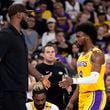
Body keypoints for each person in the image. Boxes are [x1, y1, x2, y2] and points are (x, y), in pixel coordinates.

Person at [0, 3, 51, 110]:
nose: (28, 18)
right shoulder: (5, 34)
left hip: (19, 90)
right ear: (18, 15)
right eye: (26, 15)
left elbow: (24, 62)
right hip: (8, 91)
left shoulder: (20, 35)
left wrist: (40, 77)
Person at [59, 22, 106, 110]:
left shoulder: (96, 54)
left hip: (95, 94)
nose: (76, 39)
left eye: (78, 36)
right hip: (82, 96)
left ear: (87, 37)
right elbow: (81, 82)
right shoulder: (81, 56)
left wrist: (72, 80)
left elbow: (93, 79)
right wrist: (71, 102)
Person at [35, 44, 70, 110]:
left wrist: (67, 88)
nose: (51, 54)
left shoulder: (61, 68)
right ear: (43, 54)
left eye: (52, 52)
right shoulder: (39, 67)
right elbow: (38, 87)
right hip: (45, 103)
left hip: (60, 104)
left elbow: (66, 86)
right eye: (48, 52)